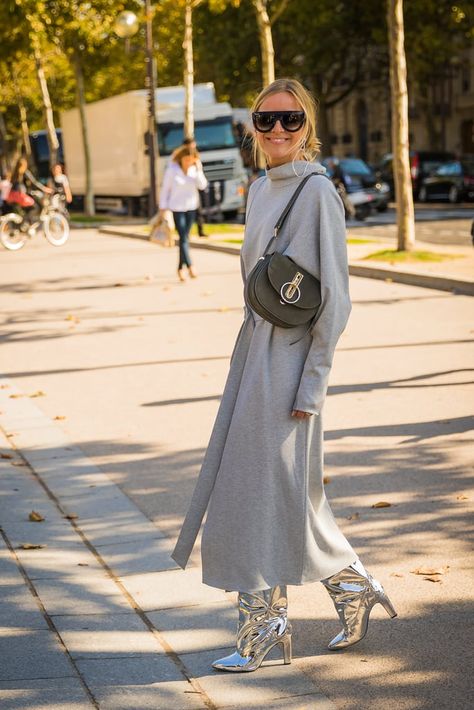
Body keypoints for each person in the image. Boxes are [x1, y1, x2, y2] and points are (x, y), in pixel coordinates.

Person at [171, 78, 397, 672]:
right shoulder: (257, 189)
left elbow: (336, 300)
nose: (276, 131)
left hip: (291, 367)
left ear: (307, 126)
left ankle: (265, 629)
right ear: (252, 125)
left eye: (290, 121)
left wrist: (312, 384)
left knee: (256, 496)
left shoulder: (318, 192)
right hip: (254, 357)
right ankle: (349, 588)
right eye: (265, 119)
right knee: (277, 495)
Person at [159, 145, 207, 281]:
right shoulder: (172, 171)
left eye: (190, 160)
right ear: (181, 159)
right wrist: (163, 207)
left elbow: (202, 185)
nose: (188, 163)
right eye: (186, 160)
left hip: (191, 207)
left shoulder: (195, 170)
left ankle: (180, 268)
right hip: (176, 208)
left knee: (184, 238)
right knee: (183, 237)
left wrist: (199, 169)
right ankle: (191, 266)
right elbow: (165, 190)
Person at [8, 157, 52, 227]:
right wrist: (44, 189)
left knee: (27, 210)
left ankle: (27, 224)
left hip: (15, 198)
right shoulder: (25, 172)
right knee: (35, 207)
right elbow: (34, 182)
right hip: (23, 196)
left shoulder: (14, 174)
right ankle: (26, 223)